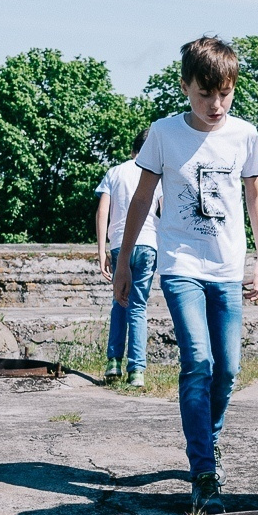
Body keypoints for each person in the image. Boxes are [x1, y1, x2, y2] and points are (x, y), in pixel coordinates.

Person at [113, 36, 258, 515]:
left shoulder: (244, 135)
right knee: (197, 361)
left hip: (227, 266)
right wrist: (122, 261)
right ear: (185, 87)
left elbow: (255, 196)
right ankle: (203, 470)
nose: (216, 105)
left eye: (224, 94)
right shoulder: (163, 133)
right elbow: (141, 199)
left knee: (229, 369)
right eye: (205, 95)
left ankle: (207, 439)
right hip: (180, 263)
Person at [94, 131, 160, 387]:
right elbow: (164, 212)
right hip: (147, 244)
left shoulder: (115, 172)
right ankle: (137, 371)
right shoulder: (157, 174)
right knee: (138, 306)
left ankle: (113, 363)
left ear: (133, 151)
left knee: (119, 302)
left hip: (120, 244)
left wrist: (102, 250)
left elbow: (103, 211)